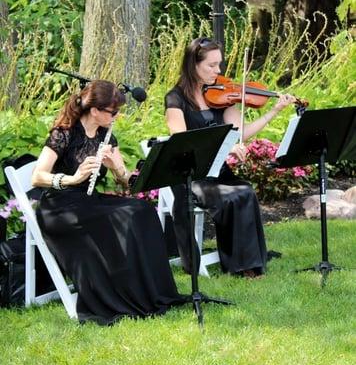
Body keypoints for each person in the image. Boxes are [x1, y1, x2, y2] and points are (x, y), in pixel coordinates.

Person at [32, 80, 185, 325]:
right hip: (60, 207)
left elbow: (127, 184)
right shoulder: (64, 133)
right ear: (95, 111)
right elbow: (37, 176)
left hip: (87, 200)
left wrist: (117, 168)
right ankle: (118, 294)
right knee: (118, 218)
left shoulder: (106, 136)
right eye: (113, 112)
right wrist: (73, 178)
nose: (117, 116)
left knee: (141, 211)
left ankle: (147, 291)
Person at [164, 37, 297, 278]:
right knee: (234, 196)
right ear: (193, 65)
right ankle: (243, 264)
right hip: (192, 174)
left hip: (218, 170)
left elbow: (240, 133)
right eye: (211, 66)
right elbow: (181, 142)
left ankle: (247, 261)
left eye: (219, 65)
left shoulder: (221, 94)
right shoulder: (175, 99)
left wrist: (274, 112)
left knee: (245, 190)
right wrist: (221, 148)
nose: (218, 71)